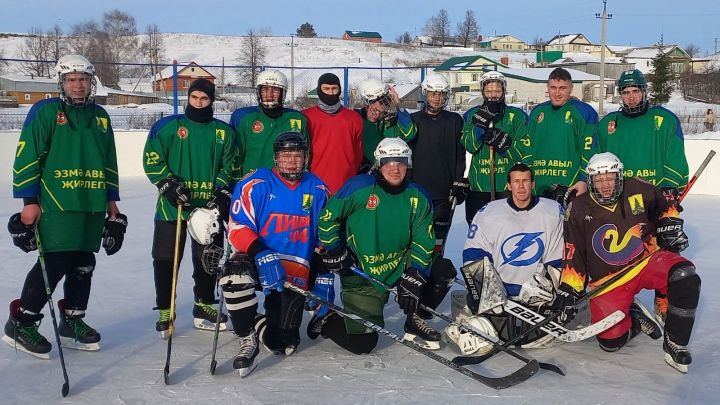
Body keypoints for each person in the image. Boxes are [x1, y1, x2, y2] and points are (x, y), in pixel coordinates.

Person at [4, 54, 126, 357]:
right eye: (71, 79)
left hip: (92, 201)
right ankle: (22, 323)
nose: (78, 85)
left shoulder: (101, 116)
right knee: (56, 261)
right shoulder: (46, 111)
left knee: (85, 262)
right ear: (62, 82)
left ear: (91, 82)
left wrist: (111, 200)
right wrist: (29, 202)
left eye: (83, 79)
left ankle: (72, 321)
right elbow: (28, 155)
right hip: (56, 201)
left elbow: (108, 159)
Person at [553, 152, 700, 373]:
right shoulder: (578, 208)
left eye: (610, 178)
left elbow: (666, 205)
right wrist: (569, 288)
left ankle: (675, 342)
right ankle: (633, 317)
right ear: (590, 180)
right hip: (609, 279)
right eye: (599, 179)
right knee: (610, 343)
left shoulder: (638, 188)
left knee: (685, 276)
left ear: (619, 176)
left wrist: (670, 223)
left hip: (646, 261)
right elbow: (574, 252)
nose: (605, 185)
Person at [310, 138, 439, 354]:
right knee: (363, 344)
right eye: (388, 162)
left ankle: (414, 319)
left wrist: (416, 273)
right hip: (362, 274)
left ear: (408, 163)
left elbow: (423, 240)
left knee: (442, 270)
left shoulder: (418, 195)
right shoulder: (358, 187)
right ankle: (328, 319)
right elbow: (326, 220)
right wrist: (334, 247)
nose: (395, 168)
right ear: (379, 164)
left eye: (401, 161)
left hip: (398, 266)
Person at [221, 132, 329, 376]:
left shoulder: (318, 188)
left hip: (293, 269)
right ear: (275, 158)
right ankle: (246, 336)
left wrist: (324, 276)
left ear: (305, 158)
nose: (291, 161)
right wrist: (260, 252)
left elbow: (325, 236)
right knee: (233, 276)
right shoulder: (256, 183)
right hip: (257, 259)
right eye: (285, 156)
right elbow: (237, 227)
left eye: (297, 156)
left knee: (283, 344)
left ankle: (256, 322)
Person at [143, 78, 236, 337]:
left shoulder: (224, 132)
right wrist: (167, 184)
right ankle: (165, 309)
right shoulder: (167, 127)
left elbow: (229, 165)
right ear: (188, 98)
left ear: (212, 100)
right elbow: (152, 159)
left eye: (204, 98)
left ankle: (203, 304)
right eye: (194, 97)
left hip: (207, 209)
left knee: (208, 258)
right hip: (173, 207)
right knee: (165, 258)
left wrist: (221, 191)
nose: (199, 102)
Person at [596, 69, 690, 317]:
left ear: (644, 91)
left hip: (657, 196)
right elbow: (597, 160)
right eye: (625, 92)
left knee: (665, 246)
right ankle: (624, 298)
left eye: (635, 91)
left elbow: (675, 155)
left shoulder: (664, 119)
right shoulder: (608, 124)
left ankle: (664, 297)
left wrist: (670, 186)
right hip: (622, 199)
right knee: (623, 250)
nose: (631, 97)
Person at [455, 163, 563, 353]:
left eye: (525, 181)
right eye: (516, 182)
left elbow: (559, 258)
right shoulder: (488, 212)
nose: (521, 187)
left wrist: (550, 284)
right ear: (508, 185)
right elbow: (473, 254)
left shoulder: (553, 211)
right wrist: (486, 289)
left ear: (533, 183)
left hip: (536, 291)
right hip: (500, 291)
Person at [407, 73, 464, 318]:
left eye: (441, 94)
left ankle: (428, 297)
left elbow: (460, 154)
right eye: (433, 93)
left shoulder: (454, 120)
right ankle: (411, 291)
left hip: (443, 194)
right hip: (416, 195)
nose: (437, 98)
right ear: (425, 94)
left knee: (437, 247)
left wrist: (460, 179)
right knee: (415, 246)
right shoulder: (413, 120)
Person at [520, 67, 598, 203]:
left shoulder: (584, 112)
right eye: (553, 88)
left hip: (572, 188)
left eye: (562, 88)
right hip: (539, 188)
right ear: (547, 88)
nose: (557, 93)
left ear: (571, 89)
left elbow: (590, 152)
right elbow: (528, 149)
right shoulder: (537, 112)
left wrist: (583, 180)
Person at [461, 71, 527, 225]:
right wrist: (480, 125)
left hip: (506, 185)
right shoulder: (472, 114)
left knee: (507, 230)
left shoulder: (516, 116)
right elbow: (470, 145)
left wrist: (504, 143)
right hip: (478, 185)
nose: (493, 95)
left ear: (504, 91)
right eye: (489, 91)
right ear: (483, 91)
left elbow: (523, 151)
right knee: (478, 229)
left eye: (497, 91)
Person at [230, 69, 308, 175]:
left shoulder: (297, 119)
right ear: (259, 92)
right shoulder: (246, 119)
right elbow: (235, 158)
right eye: (265, 89)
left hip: (285, 184)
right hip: (254, 184)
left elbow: (305, 155)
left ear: (283, 93)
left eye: (275, 90)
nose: (269, 94)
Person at [303, 73, 364, 194]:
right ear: (319, 90)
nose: (330, 93)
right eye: (326, 88)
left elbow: (358, 153)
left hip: (346, 186)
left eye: (334, 88)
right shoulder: (306, 117)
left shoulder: (354, 118)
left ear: (340, 90)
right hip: (314, 185)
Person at [356, 78, 417, 174]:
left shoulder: (391, 122)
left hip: (388, 174)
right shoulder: (357, 120)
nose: (385, 104)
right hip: (364, 176)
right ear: (369, 102)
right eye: (381, 101)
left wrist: (398, 104)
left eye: (387, 100)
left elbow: (410, 133)